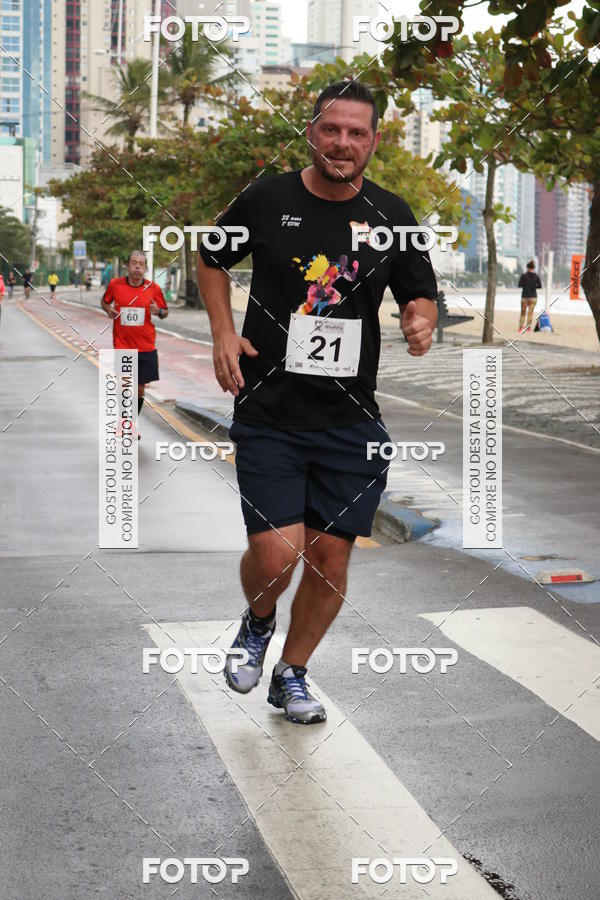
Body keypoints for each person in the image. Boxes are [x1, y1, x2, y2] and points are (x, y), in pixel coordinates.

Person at [197, 81, 438, 725]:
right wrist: (222, 332)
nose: (342, 143)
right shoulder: (267, 199)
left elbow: (420, 293)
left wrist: (421, 320)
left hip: (351, 421)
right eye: (331, 129)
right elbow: (211, 258)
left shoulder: (394, 216)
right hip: (270, 412)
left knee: (330, 559)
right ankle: (258, 621)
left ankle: (292, 674)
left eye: (356, 133)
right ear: (311, 132)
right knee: (277, 555)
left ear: (374, 141)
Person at [101, 250, 168, 438]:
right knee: (124, 384)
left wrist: (158, 311)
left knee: (139, 389)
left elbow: (165, 312)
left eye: (141, 264)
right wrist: (108, 309)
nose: (137, 266)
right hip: (123, 344)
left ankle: (130, 423)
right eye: (134, 263)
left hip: (146, 346)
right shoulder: (115, 285)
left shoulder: (153, 289)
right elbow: (104, 302)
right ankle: (124, 422)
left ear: (145, 268)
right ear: (127, 265)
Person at [518, 260, 542, 333]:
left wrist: (526, 285)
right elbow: (540, 286)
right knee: (530, 313)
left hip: (525, 296)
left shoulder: (523, 276)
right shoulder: (536, 276)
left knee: (523, 313)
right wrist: (534, 286)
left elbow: (520, 285)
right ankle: (528, 328)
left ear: (527, 268)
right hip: (533, 297)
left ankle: (520, 328)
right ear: (533, 268)